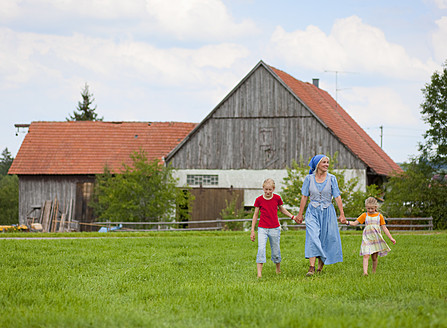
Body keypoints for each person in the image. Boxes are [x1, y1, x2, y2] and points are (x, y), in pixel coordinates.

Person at [295, 154, 346, 276]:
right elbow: (304, 196)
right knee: (313, 236)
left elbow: (337, 196)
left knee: (325, 238)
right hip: (312, 211)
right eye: (324, 162)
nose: (327, 165)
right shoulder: (309, 179)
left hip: (328, 211)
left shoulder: (332, 178)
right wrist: (300, 214)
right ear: (318, 164)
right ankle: (311, 267)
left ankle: (319, 268)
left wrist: (342, 214)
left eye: (328, 162)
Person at [250, 178, 296, 278]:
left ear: (273, 189)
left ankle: (278, 270)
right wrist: (252, 230)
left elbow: (282, 210)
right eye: (266, 189)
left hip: (275, 228)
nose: (268, 192)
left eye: (270, 189)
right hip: (262, 228)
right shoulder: (259, 200)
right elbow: (255, 215)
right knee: (261, 249)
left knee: (276, 251)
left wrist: (293, 217)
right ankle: (259, 274)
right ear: (263, 188)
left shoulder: (277, 198)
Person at [346, 197, 396, 276]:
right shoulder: (364, 215)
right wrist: (347, 222)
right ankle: (365, 272)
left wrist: (391, 238)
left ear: (375, 207)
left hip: (376, 239)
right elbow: (355, 223)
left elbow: (384, 228)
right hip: (367, 238)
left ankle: (374, 271)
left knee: (374, 257)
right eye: (368, 208)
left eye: (372, 208)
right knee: (366, 254)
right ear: (366, 207)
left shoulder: (379, 216)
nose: (370, 210)